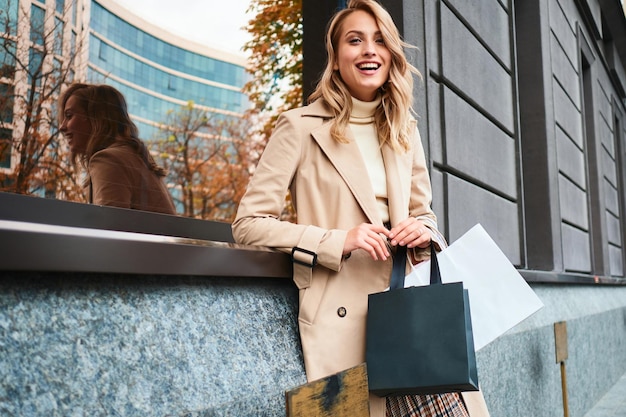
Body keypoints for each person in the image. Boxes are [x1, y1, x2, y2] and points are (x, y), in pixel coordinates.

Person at [233, 1, 489, 416]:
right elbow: (248, 225)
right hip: (341, 315)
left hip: (408, 312)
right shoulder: (299, 127)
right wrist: (338, 240)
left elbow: (425, 214)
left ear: (391, 55)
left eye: (379, 40)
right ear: (336, 59)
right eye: (355, 40)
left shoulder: (404, 129)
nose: (369, 50)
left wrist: (424, 233)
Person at [59, 83, 176, 215]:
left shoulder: (108, 160)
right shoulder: (134, 158)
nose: (62, 127)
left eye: (69, 116)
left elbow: (109, 229)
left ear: (96, 118)